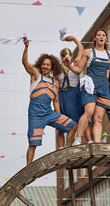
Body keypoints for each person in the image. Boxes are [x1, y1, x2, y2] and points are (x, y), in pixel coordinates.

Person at [63, 29, 110, 144]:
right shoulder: (88, 52)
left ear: (106, 39)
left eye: (103, 35)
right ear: (95, 38)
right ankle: (78, 139)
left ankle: (97, 144)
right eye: (99, 35)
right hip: (90, 85)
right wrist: (69, 66)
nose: (101, 37)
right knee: (89, 112)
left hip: (104, 87)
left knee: (98, 119)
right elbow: (78, 70)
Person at [22, 37, 77, 165]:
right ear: (41, 65)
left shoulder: (55, 82)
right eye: (44, 64)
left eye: (48, 65)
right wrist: (26, 47)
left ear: (52, 67)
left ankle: (68, 150)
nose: (45, 66)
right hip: (35, 115)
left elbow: (56, 101)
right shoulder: (35, 74)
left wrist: (59, 117)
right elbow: (25, 63)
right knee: (33, 144)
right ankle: (28, 169)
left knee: (73, 125)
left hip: (49, 113)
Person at [57, 36, 93, 149]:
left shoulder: (76, 63)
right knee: (61, 124)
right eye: (63, 56)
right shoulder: (57, 68)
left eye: (68, 55)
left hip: (75, 95)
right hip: (63, 96)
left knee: (82, 118)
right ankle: (61, 148)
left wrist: (74, 39)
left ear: (71, 56)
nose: (66, 58)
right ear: (61, 57)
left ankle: (90, 141)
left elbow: (81, 49)